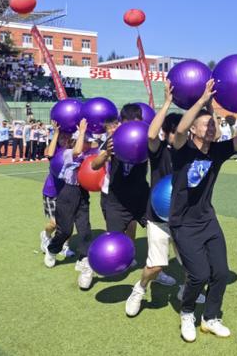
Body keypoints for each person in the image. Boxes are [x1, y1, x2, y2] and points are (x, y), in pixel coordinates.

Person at [169, 78, 237, 342]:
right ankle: (187, 312)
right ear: (194, 130)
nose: (212, 128)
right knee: (198, 275)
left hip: (207, 220)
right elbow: (179, 131)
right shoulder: (182, 150)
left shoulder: (217, 151)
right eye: (206, 124)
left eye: (214, 124)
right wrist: (202, 101)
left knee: (220, 272)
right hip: (183, 223)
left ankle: (210, 318)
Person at [125, 81, 189, 317]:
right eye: (178, 131)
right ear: (168, 132)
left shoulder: (189, 152)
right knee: (156, 265)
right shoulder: (159, 150)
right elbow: (151, 134)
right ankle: (139, 289)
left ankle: (185, 290)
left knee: (192, 264)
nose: (183, 134)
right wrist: (168, 103)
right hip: (159, 216)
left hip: (183, 216)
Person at [43, 119, 96, 290]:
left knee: (85, 229)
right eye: (85, 141)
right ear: (74, 140)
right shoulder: (67, 153)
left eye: (89, 141)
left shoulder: (90, 154)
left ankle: (84, 260)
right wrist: (81, 132)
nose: (87, 144)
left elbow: (97, 150)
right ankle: (52, 249)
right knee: (65, 230)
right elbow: (78, 150)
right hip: (67, 193)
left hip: (82, 194)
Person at [92, 104, 148, 255]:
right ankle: (92, 262)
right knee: (114, 237)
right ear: (121, 122)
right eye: (128, 123)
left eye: (136, 122)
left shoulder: (146, 138)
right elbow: (94, 165)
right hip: (116, 196)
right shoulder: (113, 140)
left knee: (156, 230)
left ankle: (155, 264)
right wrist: (107, 153)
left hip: (139, 195)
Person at [39, 122, 74, 258]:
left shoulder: (73, 150)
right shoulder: (56, 149)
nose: (65, 139)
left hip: (68, 192)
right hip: (51, 191)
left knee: (68, 222)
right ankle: (46, 234)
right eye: (62, 137)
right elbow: (48, 153)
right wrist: (56, 133)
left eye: (67, 137)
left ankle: (65, 246)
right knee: (55, 223)